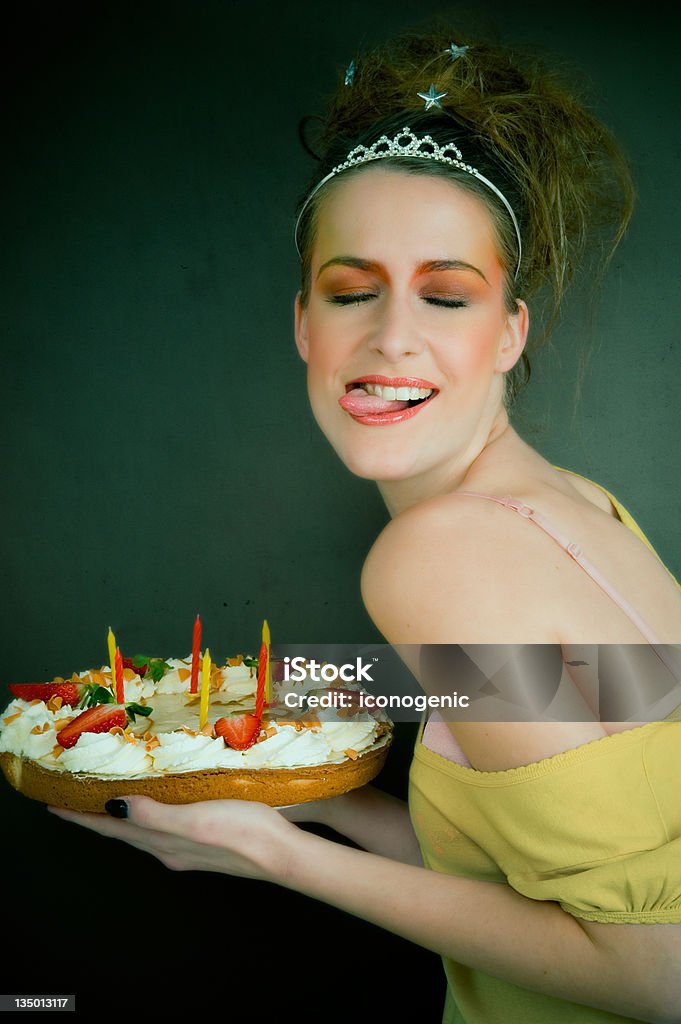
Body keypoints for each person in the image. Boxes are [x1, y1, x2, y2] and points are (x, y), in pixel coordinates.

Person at [49, 21, 681, 1023]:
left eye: (446, 294)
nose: (391, 336)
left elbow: (653, 974)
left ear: (509, 330)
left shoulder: (436, 555)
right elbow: (537, 873)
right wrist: (314, 790)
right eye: (353, 291)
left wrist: (272, 855)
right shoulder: (584, 504)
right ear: (304, 320)